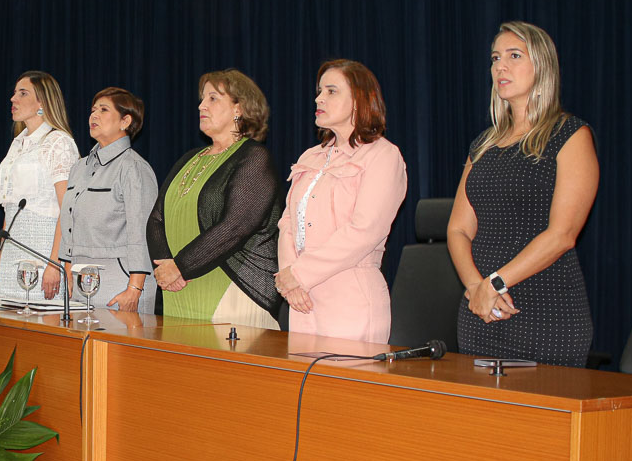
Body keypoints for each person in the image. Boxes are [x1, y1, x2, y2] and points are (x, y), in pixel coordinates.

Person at [446, 21, 599, 366]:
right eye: (495, 57)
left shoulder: (570, 135)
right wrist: (476, 288)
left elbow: (563, 235)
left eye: (514, 56)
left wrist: (496, 283)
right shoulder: (483, 145)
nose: (501, 66)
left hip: (545, 312)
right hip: (481, 312)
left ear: (542, 66)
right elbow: (457, 229)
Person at [275, 60, 407, 342]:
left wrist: (300, 273)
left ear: (359, 100)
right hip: (302, 299)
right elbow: (287, 221)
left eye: (331, 91)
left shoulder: (383, 156)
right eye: (319, 91)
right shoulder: (310, 156)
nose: (318, 98)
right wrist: (289, 279)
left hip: (351, 300)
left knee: (343, 386)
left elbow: (364, 230)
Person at [147, 69, 283, 328]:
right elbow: (156, 218)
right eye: (202, 99)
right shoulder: (188, 159)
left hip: (233, 289)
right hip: (179, 288)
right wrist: (166, 268)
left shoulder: (253, 158)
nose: (201, 105)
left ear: (238, 108)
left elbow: (236, 226)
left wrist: (180, 267)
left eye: (213, 98)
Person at [58, 87, 158, 313]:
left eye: (103, 110)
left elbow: (142, 231)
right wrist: (67, 269)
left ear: (125, 121)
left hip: (119, 278)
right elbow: (68, 223)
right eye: (93, 110)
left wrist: (135, 288)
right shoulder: (79, 167)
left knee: (115, 348)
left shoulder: (133, 167)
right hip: (79, 277)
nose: (94, 115)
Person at [0, 70, 79, 300]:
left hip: (43, 253)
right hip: (13, 253)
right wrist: (0, 256)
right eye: (14, 93)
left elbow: (68, 208)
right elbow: (11, 207)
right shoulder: (18, 144)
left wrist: (55, 262)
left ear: (43, 102)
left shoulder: (58, 142)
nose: (13, 99)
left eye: (23, 93)